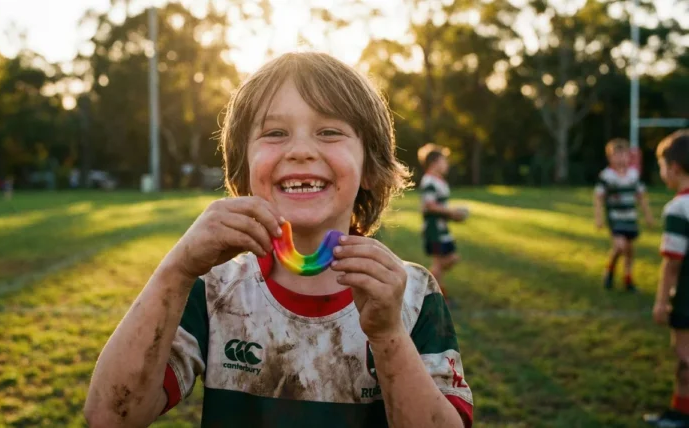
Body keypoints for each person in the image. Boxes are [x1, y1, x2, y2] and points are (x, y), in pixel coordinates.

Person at [84, 52, 473, 428]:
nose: (301, 150)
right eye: (274, 133)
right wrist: (176, 269)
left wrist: (388, 335)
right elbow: (111, 416)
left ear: (370, 168)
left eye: (329, 132)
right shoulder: (214, 288)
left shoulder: (412, 295)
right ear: (244, 169)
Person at [645, 130, 689, 427]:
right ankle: (679, 412)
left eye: (661, 166)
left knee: (685, 355)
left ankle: (680, 415)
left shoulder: (678, 208)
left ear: (673, 168)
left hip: (686, 299)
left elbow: (672, 265)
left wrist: (661, 302)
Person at [594, 138, 655, 291]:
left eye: (624, 155)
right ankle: (610, 271)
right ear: (610, 157)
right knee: (620, 246)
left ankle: (628, 279)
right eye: (617, 155)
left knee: (629, 249)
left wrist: (648, 215)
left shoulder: (633, 175)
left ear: (629, 156)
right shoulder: (607, 176)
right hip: (615, 218)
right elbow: (598, 197)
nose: (621, 158)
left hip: (630, 217)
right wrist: (599, 217)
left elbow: (641, 196)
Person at [417, 143, 466, 301]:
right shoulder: (429, 181)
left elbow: (438, 206)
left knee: (448, 259)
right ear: (434, 162)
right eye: (444, 161)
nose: (447, 165)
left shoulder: (439, 181)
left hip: (442, 228)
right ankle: (434, 294)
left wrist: (452, 216)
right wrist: (451, 212)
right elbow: (430, 206)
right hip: (434, 229)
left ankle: (433, 290)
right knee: (441, 262)